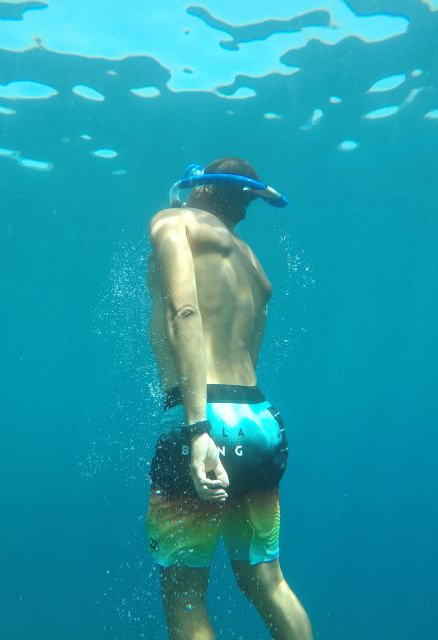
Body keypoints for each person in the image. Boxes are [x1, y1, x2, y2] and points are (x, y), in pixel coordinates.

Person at [146, 157, 313, 640]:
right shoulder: (255, 268)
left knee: (184, 593)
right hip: (259, 420)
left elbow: (184, 309)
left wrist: (198, 430)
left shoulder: (172, 221)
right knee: (267, 581)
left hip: (201, 418)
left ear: (199, 190)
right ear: (243, 206)